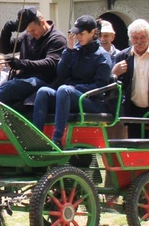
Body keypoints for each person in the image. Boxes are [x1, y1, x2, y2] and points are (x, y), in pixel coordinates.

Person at [32, 16, 112, 147]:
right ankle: (35, 137)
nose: (78, 37)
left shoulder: (102, 56)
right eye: (76, 34)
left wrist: (75, 88)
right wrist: (68, 50)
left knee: (64, 90)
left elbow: (100, 86)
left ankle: (57, 139)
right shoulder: (75, 51)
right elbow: (62, 74)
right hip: (70, 95)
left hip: (92, 101)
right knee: (43, 91)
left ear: (92, 33)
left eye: (81, 34)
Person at [0, 6, 67, 110]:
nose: (31, 34)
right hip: (24, 80)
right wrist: (7, 29)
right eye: (28, 31)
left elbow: (50, 63)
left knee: (11, 87)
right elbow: (5, 49)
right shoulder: (28, 36)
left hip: (44, 81)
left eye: (33, 30)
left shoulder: (57, 38)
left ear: (42, 22)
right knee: (8, 87)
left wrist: (21, 64)